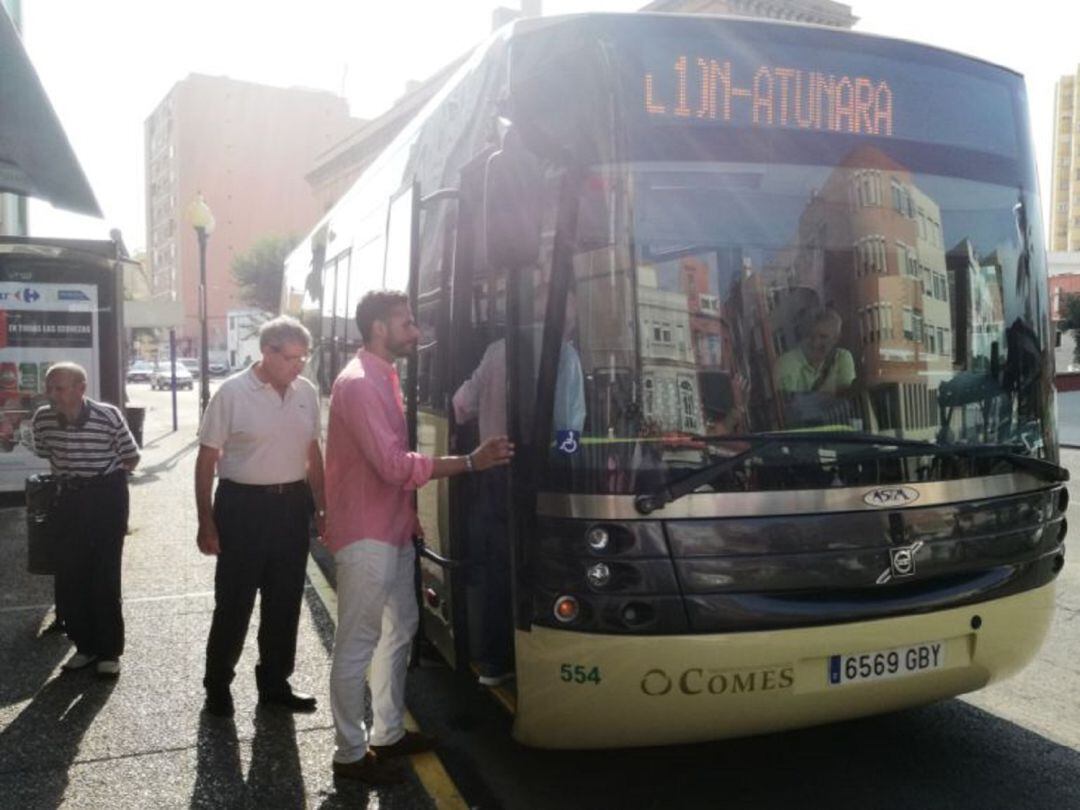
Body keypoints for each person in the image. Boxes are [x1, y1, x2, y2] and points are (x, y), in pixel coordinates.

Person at [325, 290, 513, 785]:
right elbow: (392, 466)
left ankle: (386, 735)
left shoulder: (383, 376)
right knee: (358, 643)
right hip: (366, 536)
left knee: (400, 629)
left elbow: (388, 465)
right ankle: (348, 753)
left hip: (389, 531)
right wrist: (470, 462)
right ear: (380, 329)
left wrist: (409, 520)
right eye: (407, 324)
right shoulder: (361, 383)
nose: (416, 332)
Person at [451, 287, 584, 686]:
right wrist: (565, 460)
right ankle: (542, 664)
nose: (573, 319)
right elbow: (571, 429)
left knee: (497, 566)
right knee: (544, 568)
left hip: (494, 472)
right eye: (571, 310)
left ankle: (495, 662)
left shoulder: (496, 351)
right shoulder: (564, 353)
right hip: (540, 477)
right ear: (557, 309)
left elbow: (460, 405)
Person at [195, 315, 326, 719]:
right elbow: (206, 460)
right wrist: (206, 521)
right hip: (242, 507)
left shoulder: (306, 391)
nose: (299, 365)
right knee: (234, 602)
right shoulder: (232, 393)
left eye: (304, 357)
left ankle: (274, 683)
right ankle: (217, 684)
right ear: (266, 353)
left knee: (284, 603)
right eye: (291, 358)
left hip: (291, 505)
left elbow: (313, 453)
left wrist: (322, 507)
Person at [30, 362, 140, 678]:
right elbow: (43, 451)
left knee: (104, 575)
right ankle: (85, 646)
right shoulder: (43, 418)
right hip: (68, 498)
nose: (52, 394)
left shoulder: (107, 415)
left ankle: (109, 652)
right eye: (50, 387)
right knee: (71, 575)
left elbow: (131, 456)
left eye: (60, 388)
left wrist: (101, 476)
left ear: (81, 388)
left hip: (106, 495)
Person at [776, 307, 857, 428]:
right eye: (811, 336)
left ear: (836, 339)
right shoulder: (785, 363)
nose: (815, 343)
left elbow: (848, 397)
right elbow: (790, 411)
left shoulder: (842, 358)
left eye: (823, 337)